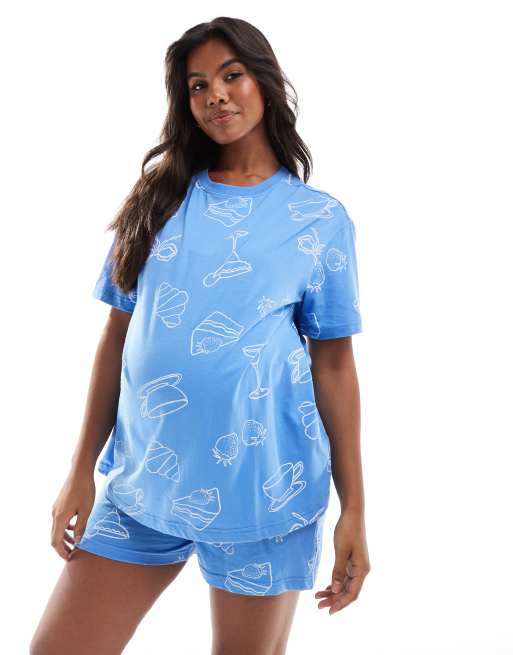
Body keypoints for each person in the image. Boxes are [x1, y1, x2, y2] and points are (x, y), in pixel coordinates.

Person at [30, 16, 370, 655]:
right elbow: (116, 336)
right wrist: (80, 471)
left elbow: (334, 367)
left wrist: (355, 508)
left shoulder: (319, 220)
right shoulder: (159, 198)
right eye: (197, 85)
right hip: (145, 483)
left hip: (265, 492)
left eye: (231, 76)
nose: (216, 95)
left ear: (265, 82)